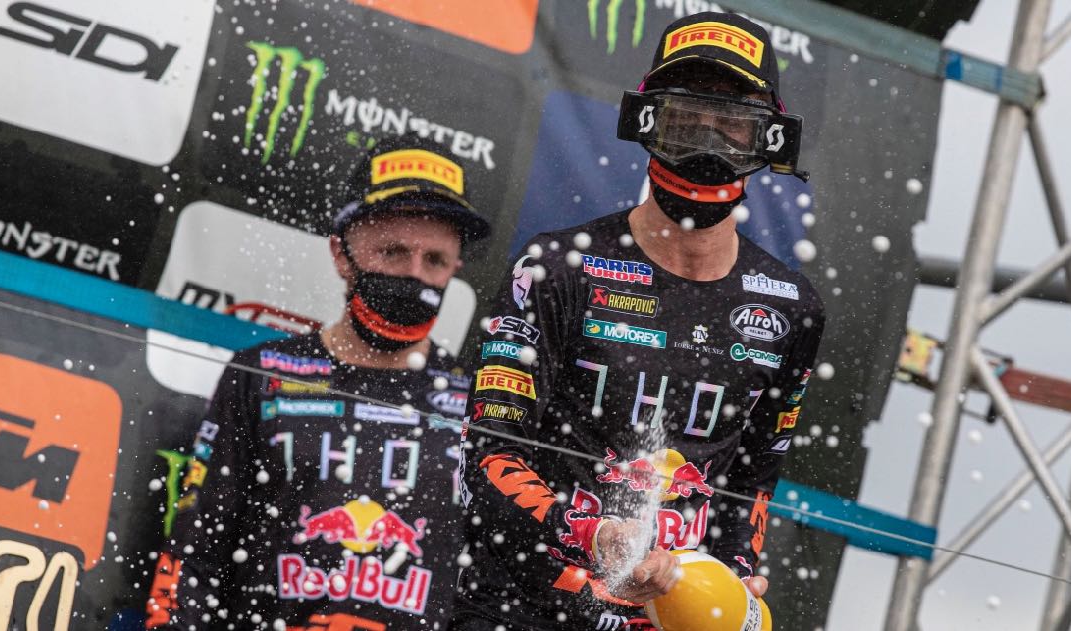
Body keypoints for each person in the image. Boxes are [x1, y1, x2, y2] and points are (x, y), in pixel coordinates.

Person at [452, 12, 824, 630]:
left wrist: (734, 576)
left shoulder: (791, 308)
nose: (707, 141)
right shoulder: (556, 268)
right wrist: (589, 533)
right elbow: (487, 457)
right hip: (522, 612)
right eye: (686, 118)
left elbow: (751, 486)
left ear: (771, 139)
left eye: (732, 122)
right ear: (646, 121)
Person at [145, 136, 491, 630]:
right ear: (341, 254)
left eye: (434, 260)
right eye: (394, 252)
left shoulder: (476, 403)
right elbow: (194, 556)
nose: (414, 275)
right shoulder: (262, 375)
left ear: (455, 268)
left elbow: (492, 588)